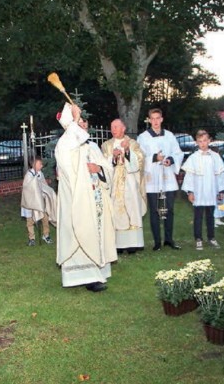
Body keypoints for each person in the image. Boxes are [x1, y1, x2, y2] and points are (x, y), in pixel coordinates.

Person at [55, 103, 116, 292]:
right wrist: (73, 117)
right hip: (77, 202)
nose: (82, 127)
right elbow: (69, 169)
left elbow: (107, 168)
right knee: (79, 234)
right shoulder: (64, 146)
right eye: (78, 123)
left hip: (95, 198)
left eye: (84, 124)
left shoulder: (93, 147)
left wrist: (99, 169)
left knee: (95, 233)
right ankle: (82, 276)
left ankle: (96, 274)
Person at [137, 108, 184, 251]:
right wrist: (154, 158)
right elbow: (139, 157)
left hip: (167, 176)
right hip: (152, 177)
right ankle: (157, 241)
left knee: (169, 209)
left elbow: (177, 152)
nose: (156, 121)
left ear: (162, 119)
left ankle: (169, 239)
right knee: (155, 211)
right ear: (149, 120)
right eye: (153, 118)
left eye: (158, 118)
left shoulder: (169, 136)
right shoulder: (143, 137)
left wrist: (170, 159)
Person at [101, 118, 147, 254]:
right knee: (116, 210)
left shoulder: (133, 144)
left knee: (132, 209)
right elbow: (103, 165)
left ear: (123, 128)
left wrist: (127, 151)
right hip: (114, 183)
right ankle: (118, 245)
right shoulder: (106, 145)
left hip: (130, 182)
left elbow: (138, 163)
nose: (113, 130)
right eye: (112, 127)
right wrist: (113, 158)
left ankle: (133, 244)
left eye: (116, 127)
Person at [181, 130, 224, 251]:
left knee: (210, 215)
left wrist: (220, 191)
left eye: (205, 141)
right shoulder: (193, 158)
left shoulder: (215, 157)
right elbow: (189, 176)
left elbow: (219, 175)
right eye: (200, 141)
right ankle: (198, 238)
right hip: (199, 191)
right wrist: (190, 191)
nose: (203, 143)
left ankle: (211, 237)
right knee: (198, 216)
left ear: (209, 141)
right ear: (196, 142)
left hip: (211, 190)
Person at [21, 155, 56, 246]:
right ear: (34, 164)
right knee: (30, 221)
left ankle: (46, 235)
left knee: (45, 218)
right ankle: (31, 238)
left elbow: (44, 185)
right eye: (40, 164)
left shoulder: (40, 174)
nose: (41, 166)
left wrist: (46, 192)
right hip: (30, 203)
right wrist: (34, 181)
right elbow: (27, 188)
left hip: (40, 202)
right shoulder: (29, 175)